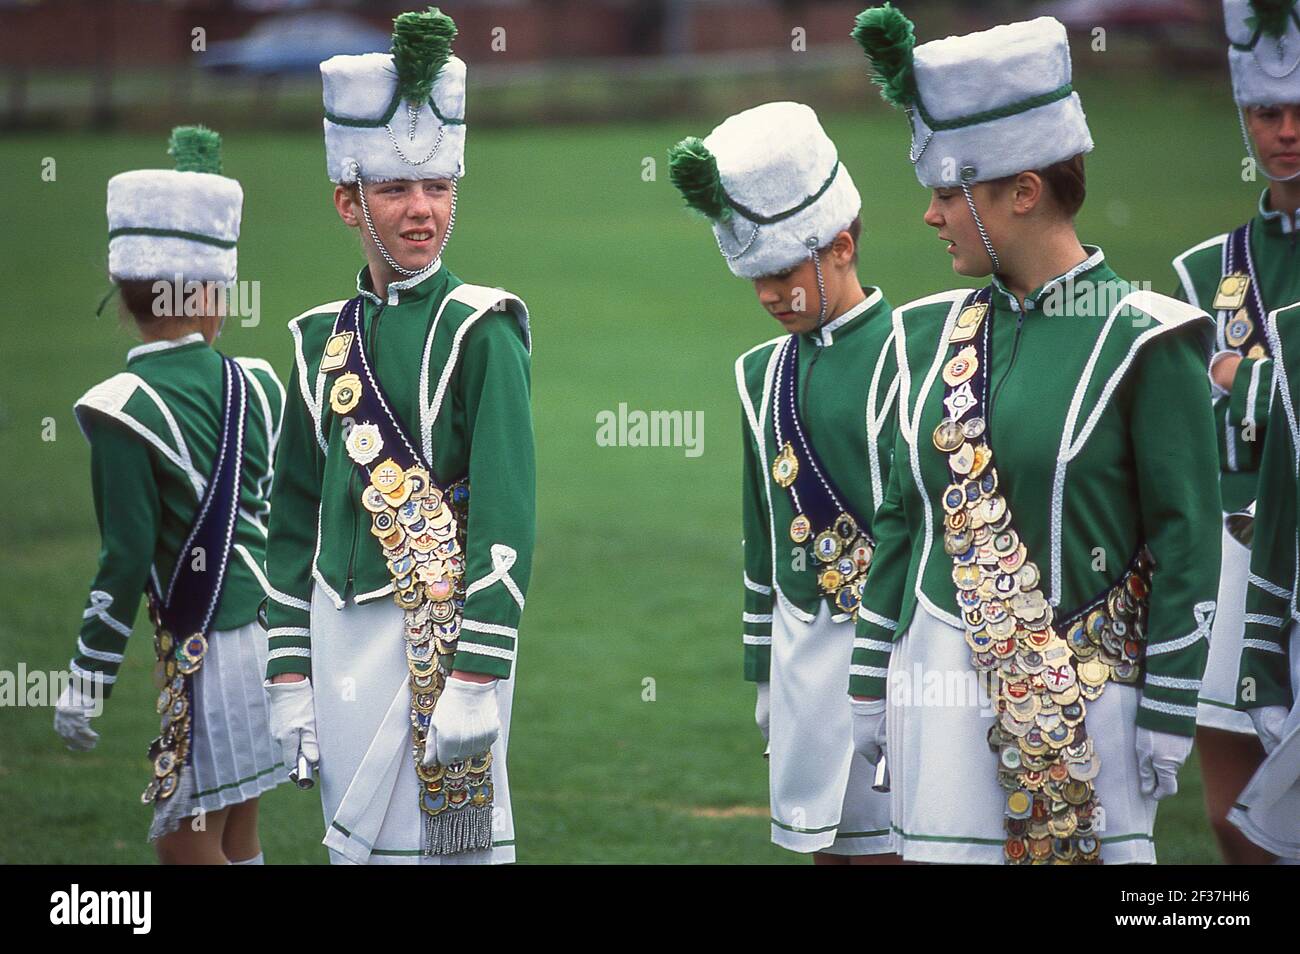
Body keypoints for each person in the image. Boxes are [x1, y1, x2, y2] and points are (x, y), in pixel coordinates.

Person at [847, 5, 1221, 864]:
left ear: (1022, 191)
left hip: (1090, 705)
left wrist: (1168, 704)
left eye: (949, 193)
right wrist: (872, 678)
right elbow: (902, 518)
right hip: (938, 685)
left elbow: (1186, 533)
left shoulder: (1148, 337)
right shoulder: (923, 335)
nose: (932, 217)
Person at [261, 7, 534, 865]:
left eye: (439, 187)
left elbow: (506, 509)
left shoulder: (483, 327)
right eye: (394, 189)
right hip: (338, 628)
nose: (422, 211)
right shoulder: (317, 341)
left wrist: (479, 673)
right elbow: (291, 512)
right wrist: (287, 670)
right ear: (348, 200)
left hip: (447, 639)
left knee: (448, 848)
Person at [668, 101, 899, 863]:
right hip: (803, 660)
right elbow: (761, 535)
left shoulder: (920, 350)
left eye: (780, 272)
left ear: (839, 244)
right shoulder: (757, 374)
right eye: (754, 277)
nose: (768, 294)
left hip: (899, 654)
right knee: (827, 847)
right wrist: (761, 667)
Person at [54, 126, 288, 864]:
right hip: (272, 640)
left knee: (185, 851)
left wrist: (87, 676)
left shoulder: (116, 406)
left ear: (122, 296)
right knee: (239, 834)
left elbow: (124, 558)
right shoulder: (260, 382)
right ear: (216, 290)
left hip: (203, 648)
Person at [1170, 0, 1300, 865]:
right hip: (1235, 559)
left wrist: (1239, 376)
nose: (1285, 132)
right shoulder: (1201, 272)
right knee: (1233, 815)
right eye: (1265, 112)